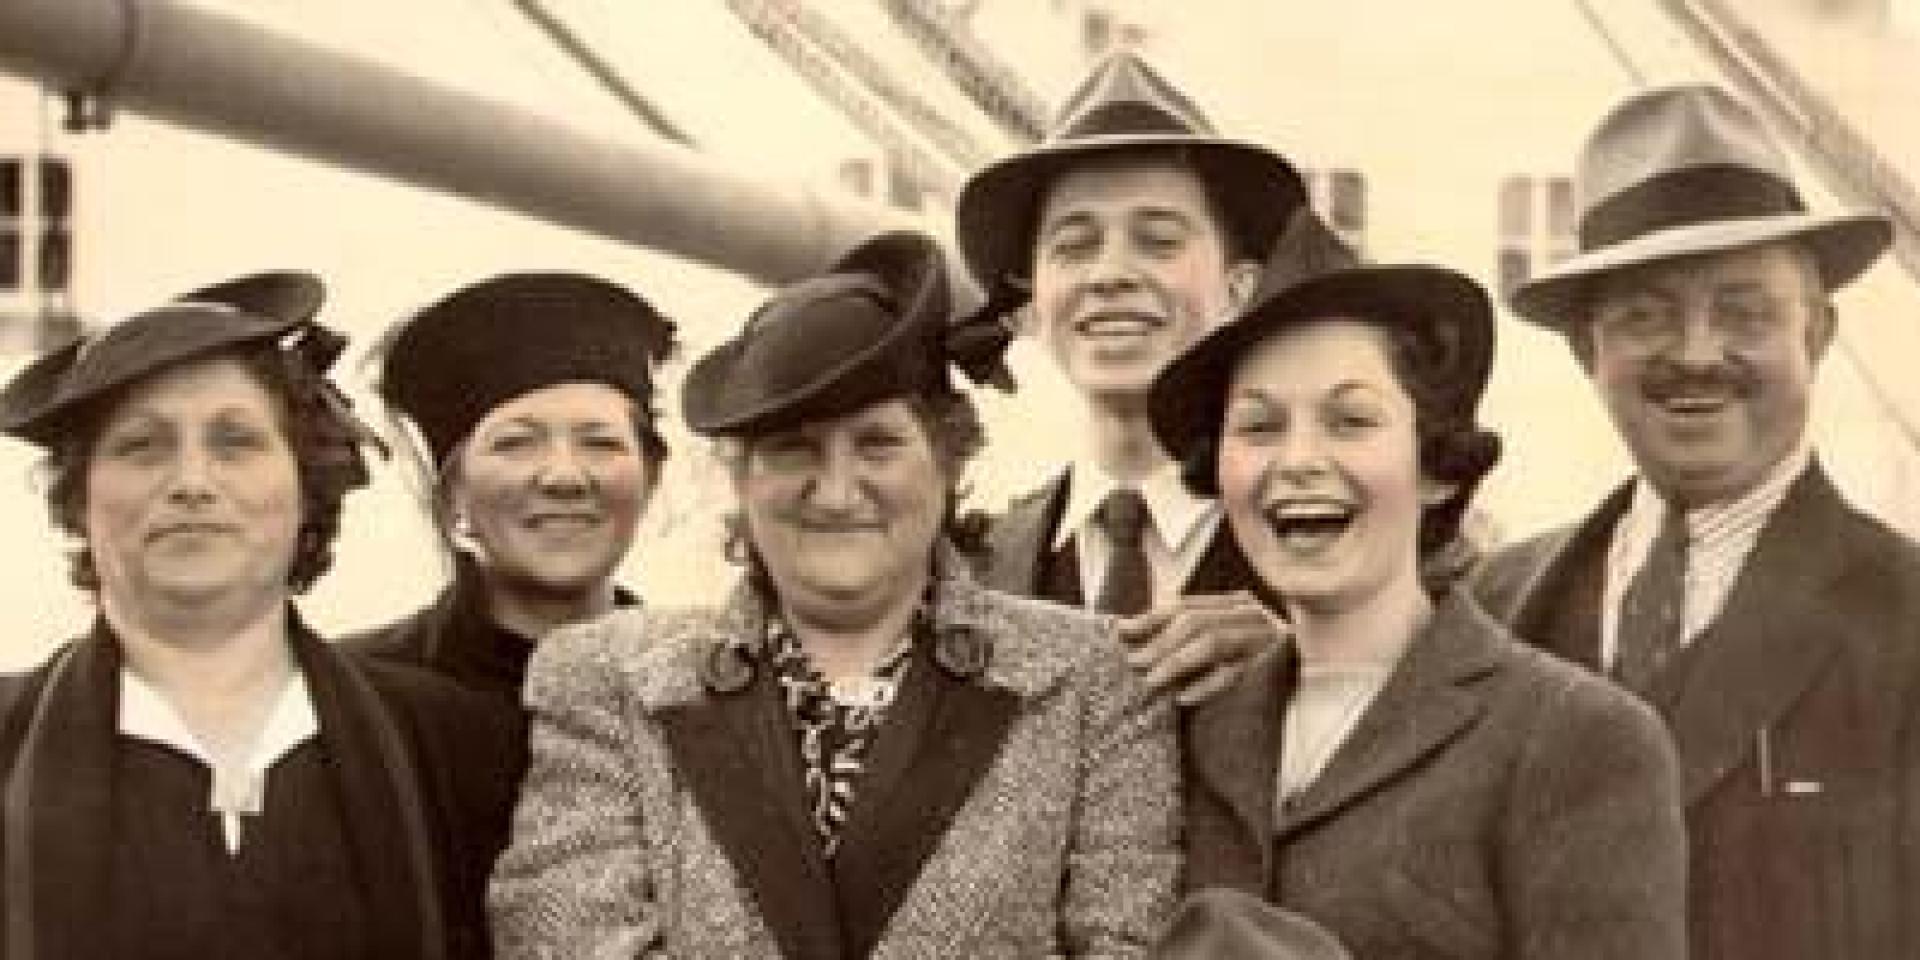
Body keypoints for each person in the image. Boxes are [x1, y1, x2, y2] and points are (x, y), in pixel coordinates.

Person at [490, 231, 1179, 959]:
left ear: (947, 463)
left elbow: (1128, 946)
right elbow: (564, 943)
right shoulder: (604, 680)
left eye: (877, 444)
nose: (838, 489)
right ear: (741, 479)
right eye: (795, 449)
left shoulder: (1096, 680)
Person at [1152, 225, 1688, 958]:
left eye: (1351, 421)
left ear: (1436, 465)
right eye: (1259, 426)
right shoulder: (1185, 729)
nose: (1299, 459)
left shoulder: (1579, 738)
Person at [1473, 83, 1920, 959]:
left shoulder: (1908, 616)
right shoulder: (1493, 606)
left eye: (1746, 313)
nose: (1697, 353)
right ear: (1586, 350)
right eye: (1646, 316)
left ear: (1818, 333)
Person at [0, 272, 518, 960]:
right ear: (79, 500)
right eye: (141, 446)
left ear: (307, 487)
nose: (191, 482)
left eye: (234, 442)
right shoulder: (8, 739)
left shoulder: (456, 749)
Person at [953, 50, 1308, 702]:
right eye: (1074, 245)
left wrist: (1306, 684)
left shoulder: (1336, 536)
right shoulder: (976, 569)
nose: (1111, 274)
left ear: (1238, 290)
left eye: (1159, 239)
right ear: (1033, 303)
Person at [348, 272, 676, 703]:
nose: (564, 477)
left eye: (600, 443)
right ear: (452, 494)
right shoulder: (355, 698)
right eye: (516, 443)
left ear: (650, 479)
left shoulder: (701, 692)